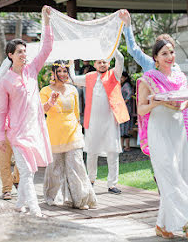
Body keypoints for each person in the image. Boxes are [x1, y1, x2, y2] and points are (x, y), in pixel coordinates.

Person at [137, 38, 188, 241]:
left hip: (178, 130)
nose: (170, 57)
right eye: (164, 54)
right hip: (159, 130)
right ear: (156, 58)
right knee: (169, 174)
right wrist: (155, 102)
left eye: (171, 52)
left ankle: (162, 225)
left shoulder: (180, 77)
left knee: (181, 174)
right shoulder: (148, 79)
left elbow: (183, 104)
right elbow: (141, 109)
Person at [0, 6, 53, 217]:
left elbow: (46, 48)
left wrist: (46, 21)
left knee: (32, 170)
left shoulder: (32, 71)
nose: (24, 55)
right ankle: (35, 209)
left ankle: (19, 204)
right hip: (16, 133)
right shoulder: (5, 82)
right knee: (27, 172)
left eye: (25, 51)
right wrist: (0, 137)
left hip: (34, 129)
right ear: (10, 55)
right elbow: (0, 112)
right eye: (19, 52)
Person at [69, 49, 130, 195]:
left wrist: (113, 46)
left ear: (108, 63)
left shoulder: (114, 74)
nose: (102, 64)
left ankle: (112, 184)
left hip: (110, 120)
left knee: (113, 151)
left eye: (104, 62)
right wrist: (71, 64)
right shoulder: (89, 76)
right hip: (93, 120)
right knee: (91, 151)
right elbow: (74, 79)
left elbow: (120, 59)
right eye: (99, 62)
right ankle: (90, 179)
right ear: (95, 64)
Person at [40, 60, 97, 210]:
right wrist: (51, 102)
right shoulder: (45, 91)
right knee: (55, 167)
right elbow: (40, 111)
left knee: (76, 165)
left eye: (65, 71)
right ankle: (52, 197)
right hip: (54, 133)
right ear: (54, 73)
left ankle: (81, 199)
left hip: (73, 132)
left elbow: (76, 113)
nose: (63, 74)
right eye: (59, 71)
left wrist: (79, 128)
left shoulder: (72, 90)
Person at [120, 71, 133, 152]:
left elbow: (129, 94)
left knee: (125, 127)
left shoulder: (126, 85)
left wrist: (124, 102)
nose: (120, 79)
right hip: (123, 108)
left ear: (125, 77)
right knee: (123, 127)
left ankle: (126, 146)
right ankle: (122, 146)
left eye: (122, 77)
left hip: (126, 108)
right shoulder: (123, 85)